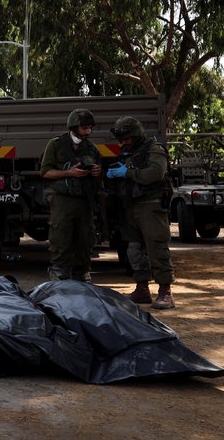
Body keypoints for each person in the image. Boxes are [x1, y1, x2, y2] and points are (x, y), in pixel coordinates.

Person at [107, 116, 176, 309]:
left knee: (157, 247)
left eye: (127, 138)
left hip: (150, 205)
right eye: (122, 139)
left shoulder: (154, 149)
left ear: (137, 135)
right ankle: (142, 289)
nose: (124, 143)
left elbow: (155, 173)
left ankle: (165, 293)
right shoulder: (127, 151)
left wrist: (127, 172)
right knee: (134, 249)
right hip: (130, 205)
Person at [40, 108, 102, 282]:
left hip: (84, 200)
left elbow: (98, 178)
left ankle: (82, 271)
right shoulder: (56, 144)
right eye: (84, 128)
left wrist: (97, 171)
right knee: (61, 236)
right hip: (63, 199)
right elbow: (45, 172)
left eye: (90, 128)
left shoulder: (91, 148)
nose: (88, 131)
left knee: (85, 237)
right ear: (74, 126)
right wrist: (69, 173)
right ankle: (60, 272)